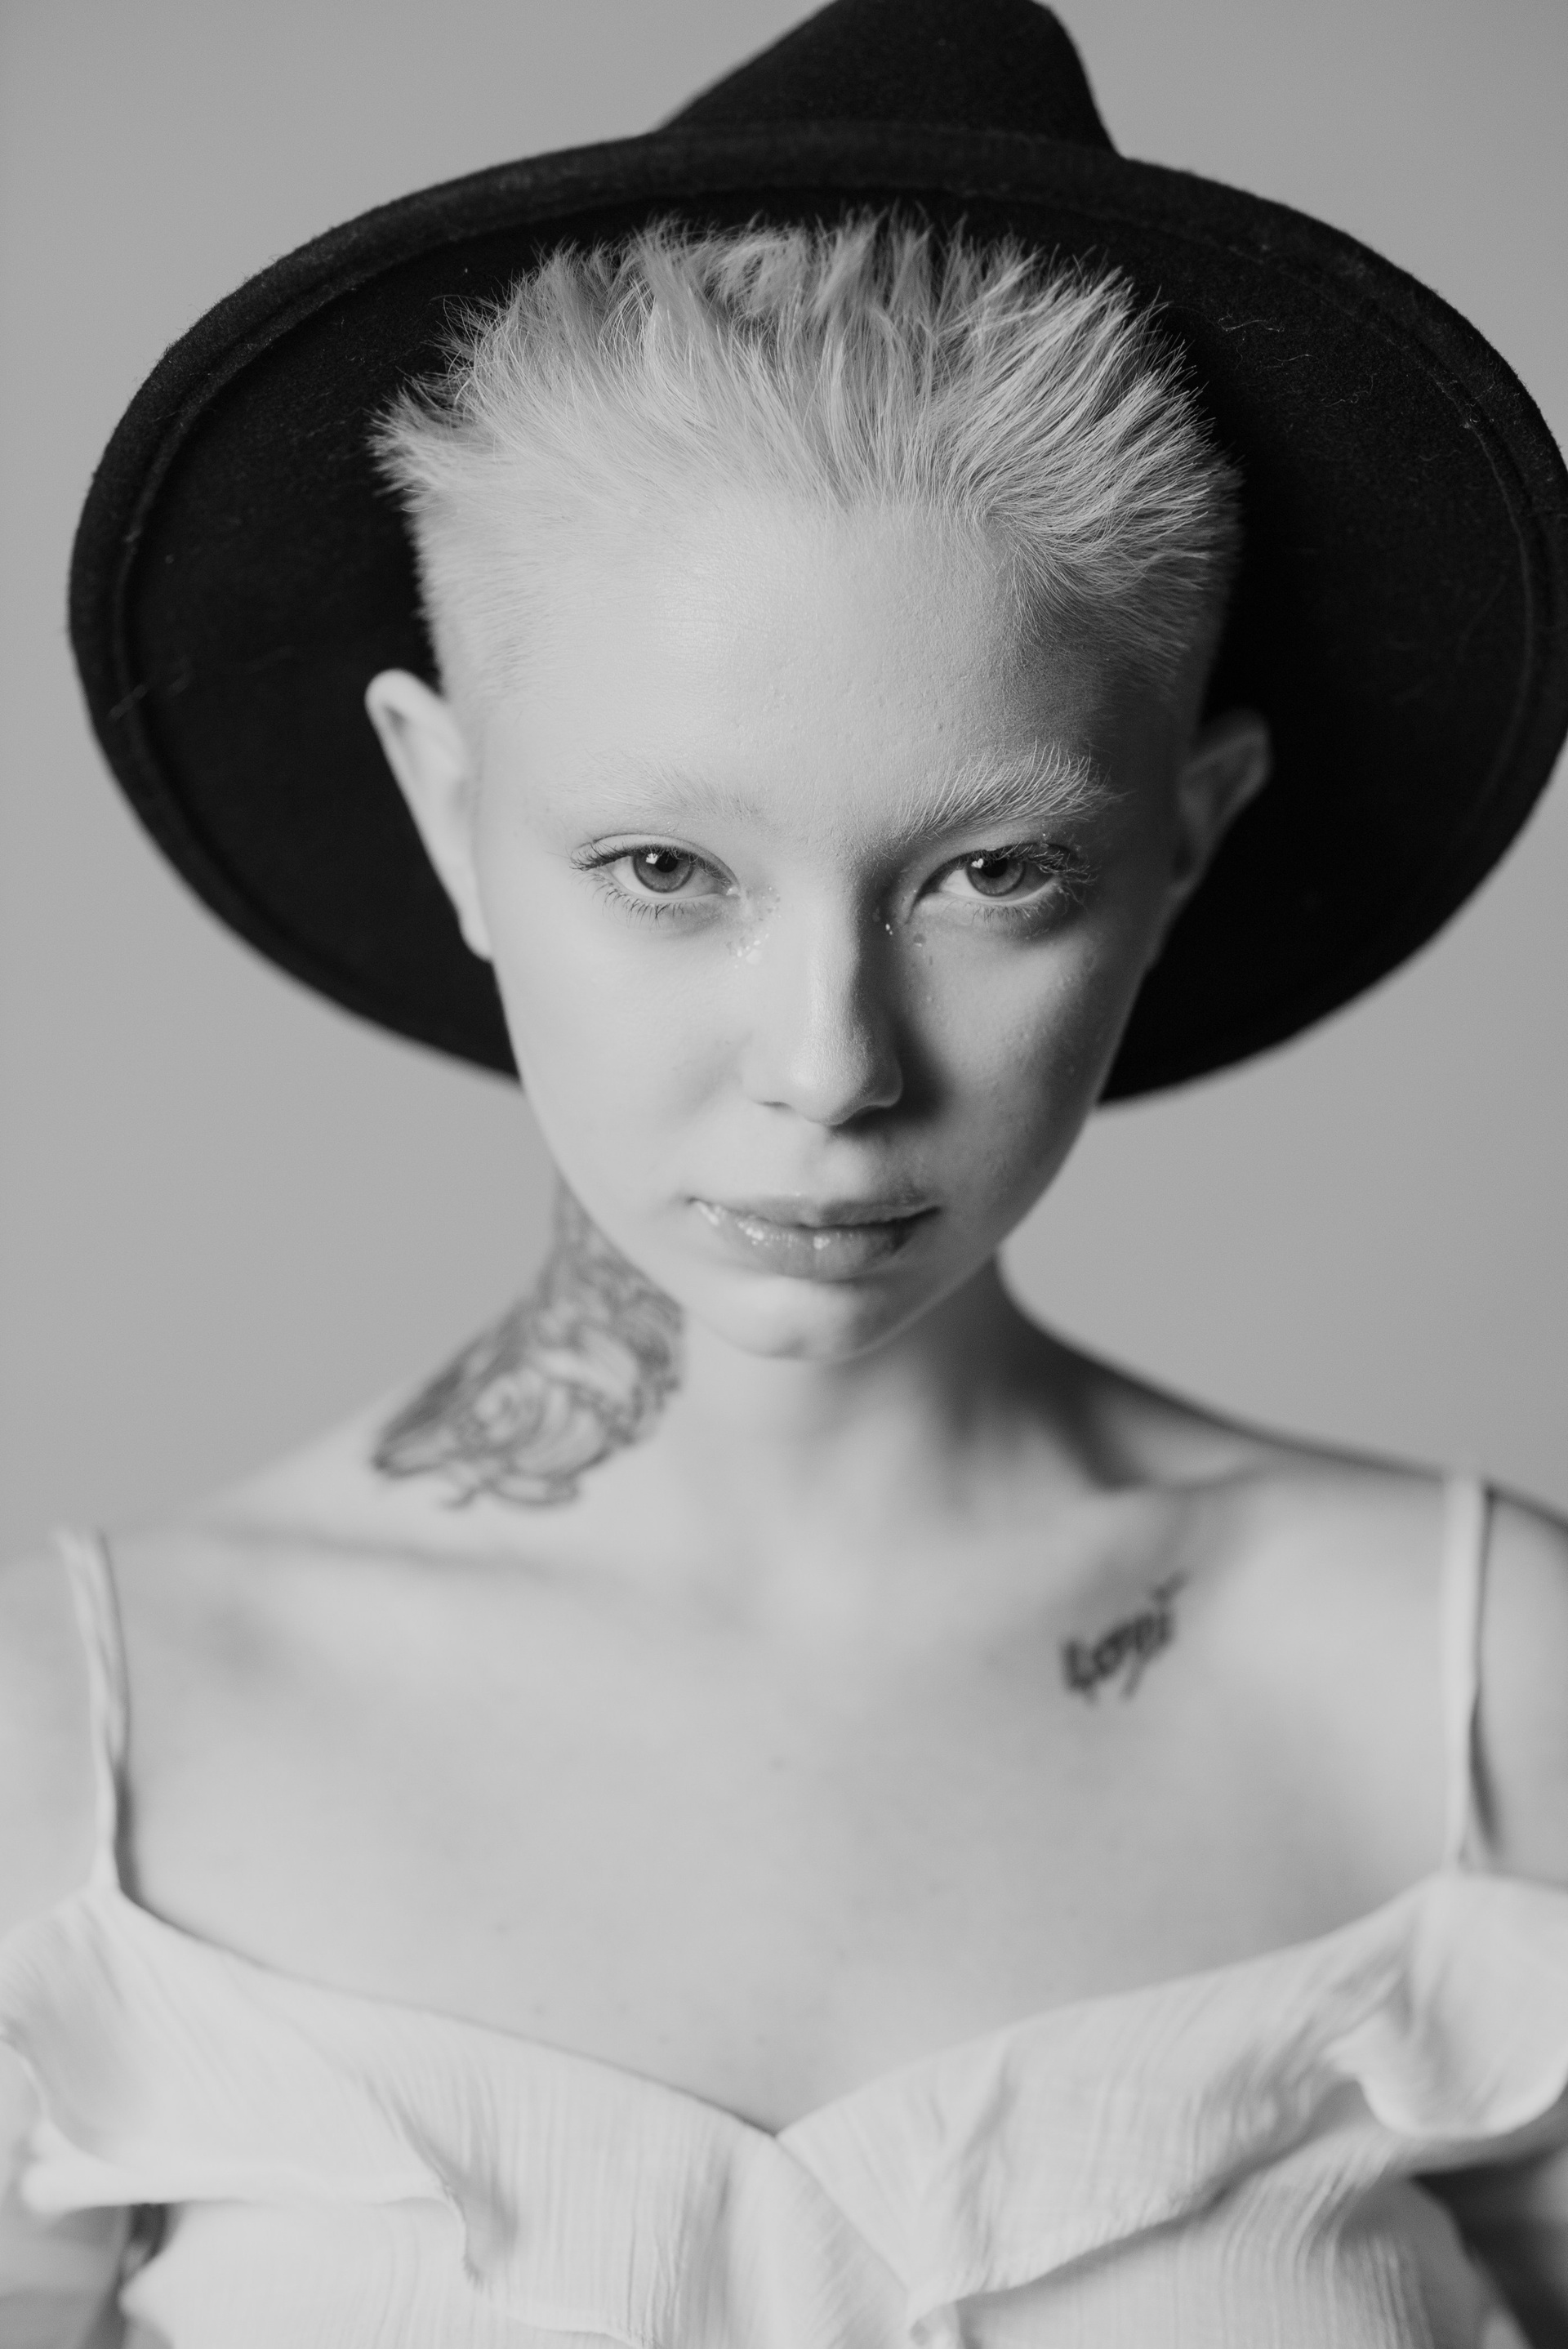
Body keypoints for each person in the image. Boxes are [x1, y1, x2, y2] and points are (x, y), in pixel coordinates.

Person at [3, 0, 1567, 2341]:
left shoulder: (1481, 1694)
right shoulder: (77, 1754)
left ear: (1185, 838)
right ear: (451, 812)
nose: (830, 1064)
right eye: (664, 866)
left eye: (992, 872)